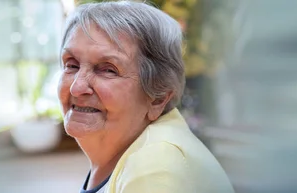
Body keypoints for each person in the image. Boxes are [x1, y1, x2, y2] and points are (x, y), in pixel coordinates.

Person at [57, 1, 234, 192]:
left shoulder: (155, 165)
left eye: (108, 70)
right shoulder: (132, 155)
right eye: (72, 65)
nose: (77, 87)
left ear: (158, 98)